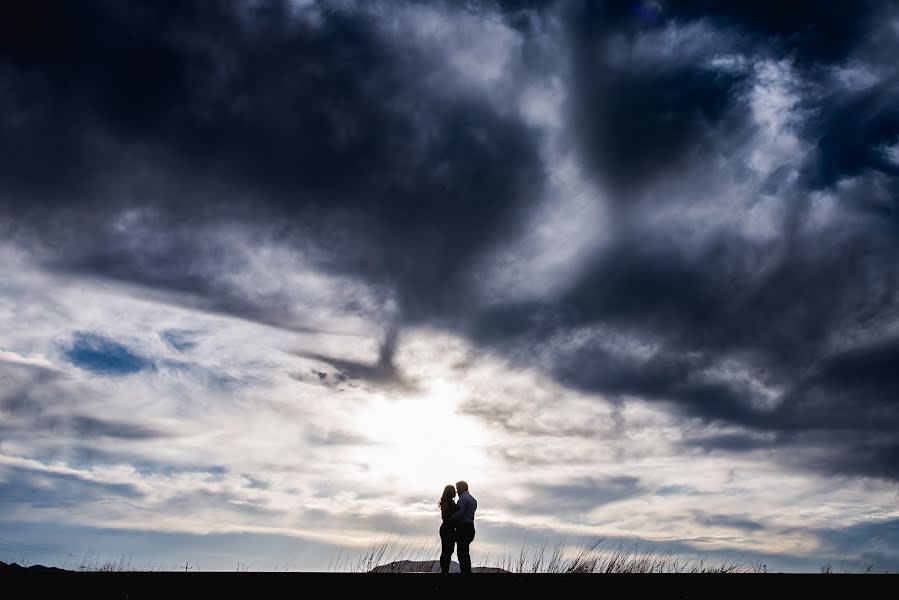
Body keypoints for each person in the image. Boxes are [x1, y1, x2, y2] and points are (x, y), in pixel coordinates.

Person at [448, 480, 477, 574]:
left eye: (457, 488)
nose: (456, 491)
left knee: (462, 552)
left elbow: (460, 513)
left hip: (463, 528)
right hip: (470, 527)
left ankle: (465, 573)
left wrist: (450, 520)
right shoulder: (473, 499)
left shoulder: (463, 499)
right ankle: (466, 571)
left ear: (462, 488)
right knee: (465, 551)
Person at [438, 484, 458, 574]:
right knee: (446, 550)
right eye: (453, 491)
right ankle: (444, 571)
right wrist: (454, 510)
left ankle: (445, 570)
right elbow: (444, 517)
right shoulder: (446, 502)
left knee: (449, 550)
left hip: (451, 529)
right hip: (446, 528)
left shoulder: (451, 502)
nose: (455, 492)